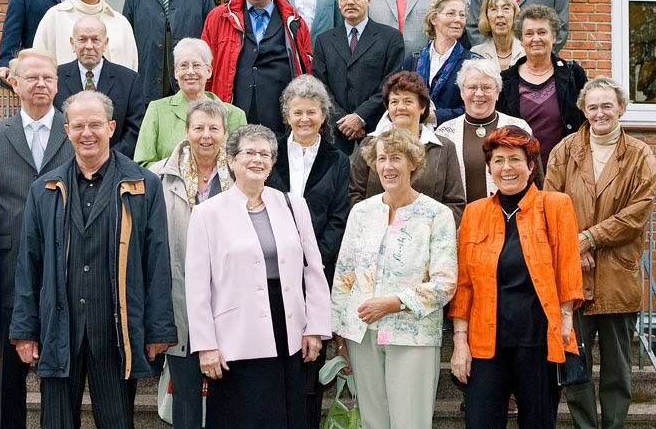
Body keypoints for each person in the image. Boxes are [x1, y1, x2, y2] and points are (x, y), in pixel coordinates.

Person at [10, 91, 176, 429]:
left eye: (95, 125)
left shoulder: (144, 185)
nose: (88, 133)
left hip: (116, 330)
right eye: (79, 126)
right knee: (55, 423)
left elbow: (157, 259)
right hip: (59, 328)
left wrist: (158, 328)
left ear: (111, 127)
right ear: (67, 130)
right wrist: (26, 331)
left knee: (116, 422)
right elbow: (29, 264)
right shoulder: (45, 189)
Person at [185, 124, 331, 429]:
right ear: (231, 160)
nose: (257, 159)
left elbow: (313, 270)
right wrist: (205, 345)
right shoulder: (207, 213)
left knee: (287, 416)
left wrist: (315, 327)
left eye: (264, 154)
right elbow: (197, 287)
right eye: (249, 152)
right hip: (234, 338)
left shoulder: (293, 205)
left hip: (288, 330)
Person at [449, 126, 583, 429]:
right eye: (498, 160)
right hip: (485, 342)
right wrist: (460, 342)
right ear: (489, 168)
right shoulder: (474, 212)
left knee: (538, 422)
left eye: (514, 159)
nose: (506, 168)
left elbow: (568, 266)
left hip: (538, 340)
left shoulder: (556, 205)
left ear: (531, 165)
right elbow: (464, 284)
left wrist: (565, 318)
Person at [544, 76, 656, 429]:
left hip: (617, 276)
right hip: (573, 276)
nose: (600, 113)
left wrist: (589, 239)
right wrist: (572, 246)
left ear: (621, 108)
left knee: (617, 369)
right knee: (575, 367)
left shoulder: (640, 155)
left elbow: (636, 213)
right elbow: (549, 205)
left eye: (607, 105)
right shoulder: (564, 151)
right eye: (592, 106)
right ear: (582, 109)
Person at [0, 48, 75, 429]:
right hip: (8, 267)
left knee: (58, 374)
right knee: (9, 381)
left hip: (64, 265)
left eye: (48, 78)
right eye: (32, 77)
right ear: (14, 83)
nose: (41, 84)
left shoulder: (75, 131)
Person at [332, 127, 457, 429]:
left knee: (410, 422)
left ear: (413, 162)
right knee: (373, 422)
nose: (388, 166)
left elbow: (445, 283)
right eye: (382, 159)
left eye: (396, 158)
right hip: (362, 334)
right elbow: (344, 275)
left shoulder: (436, 214)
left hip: (412, 333)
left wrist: (394, 302)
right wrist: (340, 335)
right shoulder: (361, 212)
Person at [266, 75, 349, 429]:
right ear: (286, 116)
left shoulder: (338, 160)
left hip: (317, 273)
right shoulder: (267, 155)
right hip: (269, 272)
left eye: (311, 112)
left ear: (323, 115)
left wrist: (313, 259)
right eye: (297, 112)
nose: (304, 119)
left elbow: (339, 216)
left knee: (309, 362)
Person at [151, 99, 234, 429]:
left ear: (225, 133)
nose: (206, 136)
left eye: (214, 128)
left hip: (227, 310)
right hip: (180, 308)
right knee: (186, 405)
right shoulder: (158, 177)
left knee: (226, 404)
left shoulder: (242, 179)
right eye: (198, 127)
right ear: (186, 131)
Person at [201, 0, 312, 134]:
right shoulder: (218, 17)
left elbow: (307, 68)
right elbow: (205, 66)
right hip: (232, 108)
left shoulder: (294, 21)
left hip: (280, 113)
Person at [349, 71, 464, 223]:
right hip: (377, 234)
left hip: (426, 238)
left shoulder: (444, 148)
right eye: (394, 102)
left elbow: (455, 203)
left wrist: (428, 231)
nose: (400, 107)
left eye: (408, 101)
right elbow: (355, 194)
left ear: (422, 107)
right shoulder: (370, 143)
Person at [312, 0, 404, 155]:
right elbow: (320, 86)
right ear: (339, 4)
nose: (350, 2)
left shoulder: (390, 37)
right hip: (336, 131)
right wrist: (344, 121)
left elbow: (391, 83)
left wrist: (361, 117)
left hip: (376, 129)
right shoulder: (324, 40)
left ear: (368, 0)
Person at [435, 58, 540, 203]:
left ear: (497, 92)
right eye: (472, 87)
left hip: (511, 219)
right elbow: (438, 185)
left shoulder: (518, 128)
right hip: (461, 221)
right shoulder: (444, 133)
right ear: (462, 92)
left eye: (486, 87)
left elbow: (536, 178)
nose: (479, 93)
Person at [497, 4, 587, 166]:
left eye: (542, 32)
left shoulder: (573, 74)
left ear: (553, 37)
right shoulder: (505, 81)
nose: (536, 39)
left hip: (565, 170)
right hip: (520, 171)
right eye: (529, 34)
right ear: (521, 40)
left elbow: (588, 121)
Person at [134, 38, 246, 167]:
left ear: (209, 71)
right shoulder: (157, 110)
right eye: (184, 66)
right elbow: (142, 164)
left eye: (197, 65)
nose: (190, 71)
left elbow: (242, 165)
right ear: (176, 72)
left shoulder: (235, 115)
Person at [53, 16, 145, 158]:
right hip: (64, 165)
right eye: (82, 39)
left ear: (105, 43)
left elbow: (134, 129)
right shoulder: (55, 78)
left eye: (95, 39)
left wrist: (107, 160)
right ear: (72, 43)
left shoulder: (129, 80)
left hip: (115, 166)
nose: (89, 46)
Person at [406, 0, 479, 126]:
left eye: (462, 15)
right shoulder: (413, 60)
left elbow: (478, 106)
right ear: (434, 19)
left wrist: (436, 116)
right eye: (451, 13)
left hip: (453, 138)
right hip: (414, 137)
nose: (458, 20)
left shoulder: (473, 62)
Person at [471, 0, 524, 72]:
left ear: (515, 15)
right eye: (493, 9)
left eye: (506, 8)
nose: (500, 14)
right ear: (486, 17)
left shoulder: (527, 51)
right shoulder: (476, 54)